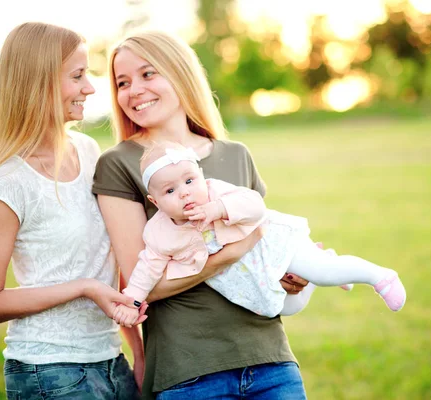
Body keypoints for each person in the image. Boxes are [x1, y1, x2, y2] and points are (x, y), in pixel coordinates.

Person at [93, 30, 313, 399]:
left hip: (271, 360)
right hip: (189, 373)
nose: (134, 90)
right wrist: (230, 254)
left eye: (148, 74)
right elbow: (141, 284)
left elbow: (263, 241)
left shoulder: (235, 154)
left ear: (179, 73)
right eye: (123, 82)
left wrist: (289, 274)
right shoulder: (118, 164)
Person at [0, 22, 146, 399]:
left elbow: (110, 261)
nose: (91, 87)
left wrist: (140, 353)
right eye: (78, 76)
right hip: (49, 373)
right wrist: (82, 288)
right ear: (41, 82)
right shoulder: (11, 182)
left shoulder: (88, 151)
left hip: (111, 362)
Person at [112, 141, 406, 324]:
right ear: (155, 202)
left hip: (272, 242)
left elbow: (255, 206)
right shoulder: (159, 232)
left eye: (189, 181)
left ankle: (379, 276)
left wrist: (218, 209)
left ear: (201, 177)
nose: (185, 194)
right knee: (286, 307)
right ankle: (322, 268)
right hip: (243, 271)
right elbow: (147, 269)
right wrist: (134, 300)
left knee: (322, 269)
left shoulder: (217, 191)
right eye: (171, 190)